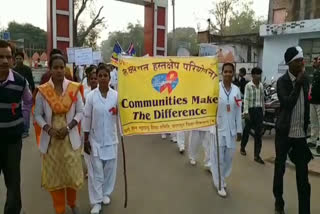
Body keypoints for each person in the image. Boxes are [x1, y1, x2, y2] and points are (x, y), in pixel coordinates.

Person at [34, 53, 84, 214]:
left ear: (65, 68)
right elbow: (37, 115)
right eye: (55, 67)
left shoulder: (74, 88)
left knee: (70, 174)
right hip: (51, 140)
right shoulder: (43, 91)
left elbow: (80, 112)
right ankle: (59, 209)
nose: (59, 70)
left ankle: (73, 203)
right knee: (55, 177)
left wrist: (69, 127)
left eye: (62, 67)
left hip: (70, 138)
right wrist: (48, 129)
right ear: (50, 69)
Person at [273, 46, 312, 214]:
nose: (302, 64)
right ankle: (279, 200)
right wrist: (297, 84)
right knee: (280, 169)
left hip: (300, 135)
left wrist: (307, 125)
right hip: (284, 134)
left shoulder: (305, 79)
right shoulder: (282, 82)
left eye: (302, 60)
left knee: (303, 177)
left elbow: (306, 103)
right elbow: (287, 103)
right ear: (290, 63)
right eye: (298, 61)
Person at [0, 40, 32, 214]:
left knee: (13, 183)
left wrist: (23, 123)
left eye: (8, 57)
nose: (5, 61)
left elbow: (28, 102)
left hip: (13, 140)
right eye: (1, 57)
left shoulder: (20, 82)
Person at [83, 64, 118, 214]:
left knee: (109, 169)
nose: (103, 78)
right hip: (94, 139)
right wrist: (85, 140)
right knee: (96, 171)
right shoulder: (90, 97)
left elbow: (122, 115)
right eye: (100, 76)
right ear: (96, 78)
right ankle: (96, 202)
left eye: (106, 76)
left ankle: (105, 193)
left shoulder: (116, 96)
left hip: (111, 139)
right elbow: (86, 118)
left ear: (110, 78)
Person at [210, 63, 242, 198]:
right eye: (226, 71)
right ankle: (219, 183)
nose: (228, 74)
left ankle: (222, 177)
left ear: (233, 73)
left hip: (231, 130)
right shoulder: (215, 88)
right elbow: (208, 107)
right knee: (219, 159)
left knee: (228, 158)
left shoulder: (237, 90)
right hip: (218, 129)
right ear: (222, 73)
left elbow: (238, 110)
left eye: (230, 72)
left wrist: (239, 129)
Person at [240, 67, 265, 164]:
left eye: (260, 74)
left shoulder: (261, 86)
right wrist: (246, 112)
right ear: (253, 75)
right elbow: (246, 99)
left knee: (258, 134)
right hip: (250, 110)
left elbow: (262, 99)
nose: (259, 76)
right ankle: (242, 147)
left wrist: (263, 110)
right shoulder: (248, 86)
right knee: (247, 130)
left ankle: (257, 155)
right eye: (257, 74)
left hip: (258, 111)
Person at [14, 51, 35, 138]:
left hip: (26, 94)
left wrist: (33, 94)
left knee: (26, 113)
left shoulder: (27, 69)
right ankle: (18, 129)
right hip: (15, 93)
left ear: (23, 59)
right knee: (17, 112)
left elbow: (31, 82)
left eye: (20, 58)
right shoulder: (13, 70)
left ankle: (26, 130)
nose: (19, 60)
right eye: (17, 59)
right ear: (15, 59)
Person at [308, 56, 320, 155]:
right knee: (314, 122)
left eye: (317, 60)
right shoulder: (315, 72)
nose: (315, 61)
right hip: (313, 101)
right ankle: (313, 140)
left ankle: (319, 144)